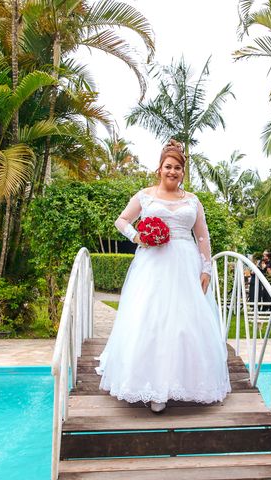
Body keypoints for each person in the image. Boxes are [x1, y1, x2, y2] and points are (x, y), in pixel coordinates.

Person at [96, 139, 231, 413]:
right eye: (168, 166)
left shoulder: (193, 200)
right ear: (159, 169)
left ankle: (188, 383)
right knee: (152, 319)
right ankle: (154, 388)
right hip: (153, 264)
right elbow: (121, 220)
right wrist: (138, 236)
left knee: (185, 323)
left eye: (178, 168)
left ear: (183, 173)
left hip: (185, 264)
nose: (173, 171)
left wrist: (206, 269)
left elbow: (202, 236)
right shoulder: (145, 195)